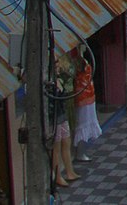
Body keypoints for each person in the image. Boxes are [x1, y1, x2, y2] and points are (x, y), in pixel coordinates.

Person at [50, 55, 77, 186]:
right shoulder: (48, 82)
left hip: (62, 113)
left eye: (57, 63)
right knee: (56, 146)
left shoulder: (59, 78)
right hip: (53, 117)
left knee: (67, 141)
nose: (57, 66)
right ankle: (58, 176)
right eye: (55, 64)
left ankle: (69, 171)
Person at [72, 50, 102, 161]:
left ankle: (81, 152)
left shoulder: (81, 61)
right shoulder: (75, 63)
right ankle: (80, 153)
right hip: (82, 97)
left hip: (88, 96)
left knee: (85, 122)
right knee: (83, 123)